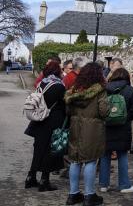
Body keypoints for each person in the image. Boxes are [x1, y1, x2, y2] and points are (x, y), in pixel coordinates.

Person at [64, 62, 109, 206]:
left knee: (75, 160)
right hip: (93, 129)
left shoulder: (74, 91)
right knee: (90, 160)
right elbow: (104, 111)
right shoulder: (100, 90)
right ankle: (89, 196)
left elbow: (68, 111)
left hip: (76, 127)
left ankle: (73, 194)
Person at [98, 68, 133, 194]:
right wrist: (126, 118)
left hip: (106, 127)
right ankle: (124, 184)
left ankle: (103, 185)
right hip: (123, 127)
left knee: (105, 155)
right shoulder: (131, 90)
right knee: (122, 155)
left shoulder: (104, 89)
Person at [24, 61, 66, 192]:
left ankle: (30, 177)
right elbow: (64, 105)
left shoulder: (43, 83)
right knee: (50, 151)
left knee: (38, 149)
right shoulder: (59, 86)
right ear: (57, 71)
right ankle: (44, 181)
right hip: (53, 121)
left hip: (40, 120)